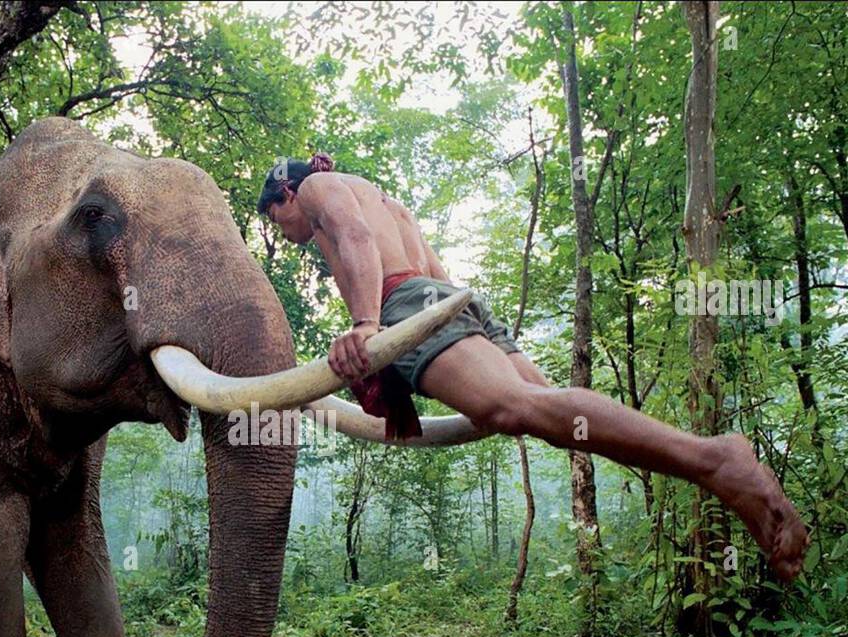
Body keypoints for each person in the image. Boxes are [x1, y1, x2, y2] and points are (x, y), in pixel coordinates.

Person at [257, 153, 808, 582]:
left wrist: (365, 326)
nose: (281, 230)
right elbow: (437, 277)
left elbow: (354, 239)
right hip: (448, 300)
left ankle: (717, 461)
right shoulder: (382, 197)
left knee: (515, 408)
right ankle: (711, 464)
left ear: (285, 192)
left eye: (272, 217)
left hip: (406, 302)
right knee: (555, 421)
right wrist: (427, 349)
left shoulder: (316, 186)